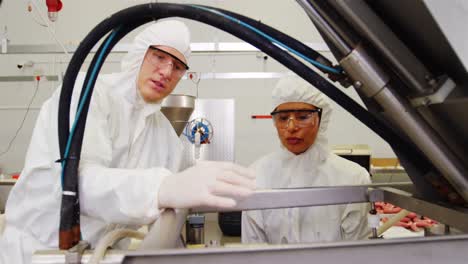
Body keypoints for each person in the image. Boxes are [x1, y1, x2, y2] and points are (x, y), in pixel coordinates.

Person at [0, 20, 255, 263]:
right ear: (138, 53)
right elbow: (77, 184)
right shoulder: (87, 94)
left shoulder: (166, 137)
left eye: (177, 66)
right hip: (37, 253)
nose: (166, 71)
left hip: (102, 255)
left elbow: (166, 224)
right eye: (159, 57)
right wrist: (161, 188)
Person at [242, 75, 370, 244]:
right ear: (275, 121)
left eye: (303, 117)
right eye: (283, 118)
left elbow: (357, 253)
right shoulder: (256, 175)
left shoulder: (353, 178)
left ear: (321, 119)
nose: (292, 127)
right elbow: (253, 253)